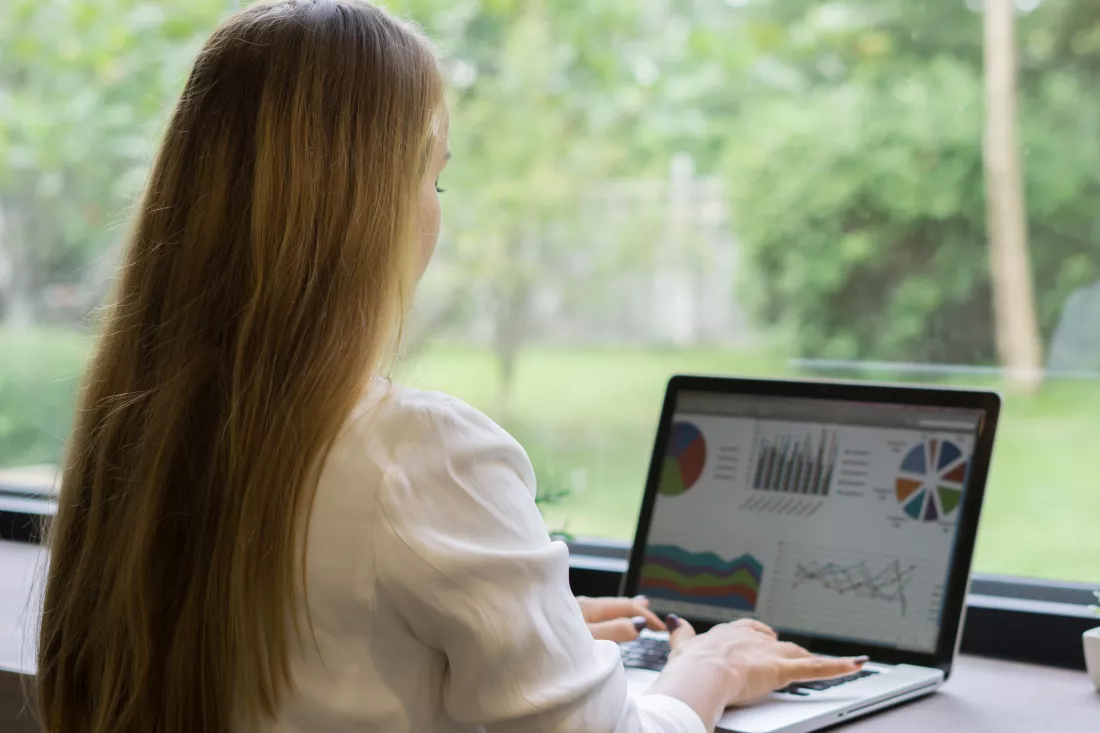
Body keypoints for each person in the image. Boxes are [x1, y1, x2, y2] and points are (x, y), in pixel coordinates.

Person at [34, 2, 864, 732]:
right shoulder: (418, 454)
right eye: (435, 176)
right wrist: (704, 675)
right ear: (370, 205)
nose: (436, 213)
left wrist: (529, 627)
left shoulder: (126, 436)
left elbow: (296, 634)